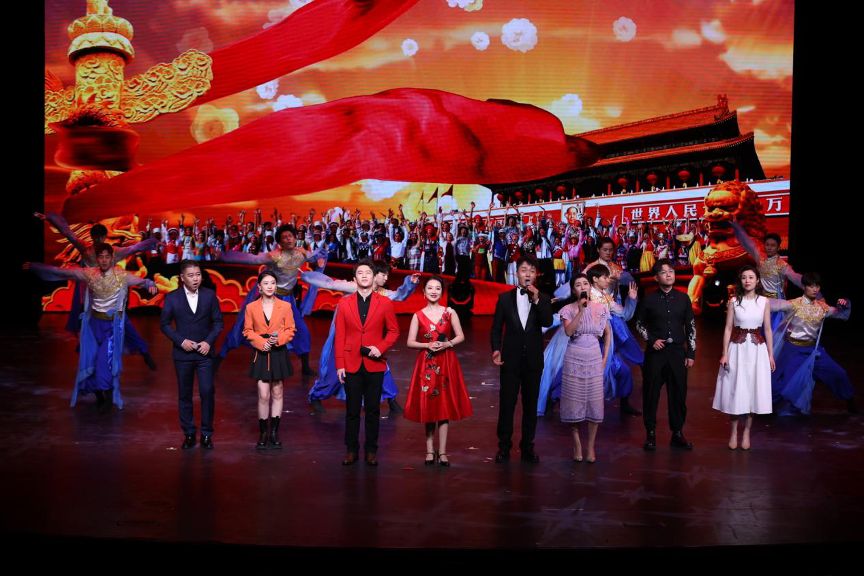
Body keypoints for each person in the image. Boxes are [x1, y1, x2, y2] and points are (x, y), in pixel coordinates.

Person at [25, 244, 157, 410]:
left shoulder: (121, 276)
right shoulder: (90, 274)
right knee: (90, 362)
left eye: (107, 257)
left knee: (104, 360)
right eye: (101, 257)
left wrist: (150, 283)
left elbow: (142, 281)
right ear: (97, 259)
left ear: (112, 258)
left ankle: (108, 395)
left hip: (111, 328)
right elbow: (62, 272)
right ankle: (99, 394)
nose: (104, 260)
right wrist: (36, 267)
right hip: (94, 326)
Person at [304, 261, 418, 414]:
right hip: (346, 340)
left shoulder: (382, 294)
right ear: (374, 275)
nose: (386, 278)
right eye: (383, 275)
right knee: (334, 374)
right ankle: (316, 396)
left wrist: (410, 283)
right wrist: (306, 275)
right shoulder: (354, 287)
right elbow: (329, 283)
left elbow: (399, 295)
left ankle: (392, 400)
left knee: (381, 369)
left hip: (369, 341)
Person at [219, 224, 326, 375]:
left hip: (288, 300)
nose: (288, 239)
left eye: (290, 236)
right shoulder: (274, 256)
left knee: (301, 330)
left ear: (295, 238)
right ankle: (220, 357)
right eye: (284, 237)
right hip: (270, 298)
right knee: (251, 330)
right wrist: (224, 256)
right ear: (280, 242)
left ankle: (305, 367)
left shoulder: (301, 253)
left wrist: (319, 260)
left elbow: (315, 256)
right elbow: (252, 259)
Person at [335, 261, 400, 466]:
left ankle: (371, 450)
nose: (364, 276)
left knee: (373, 410)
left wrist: (380, 348)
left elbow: (393, 331)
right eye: (360, 273)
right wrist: (340, 364)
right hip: (351, 362)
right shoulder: (344, 303)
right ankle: (351, 450)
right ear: (354, 278)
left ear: (374, 277)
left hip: (375, 363)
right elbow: (340, 335)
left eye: (368, 272)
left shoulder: (385, 303)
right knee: (352, 410)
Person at [491, 255, 553, 463]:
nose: (527, 274)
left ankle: (527, 446)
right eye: (524, 270)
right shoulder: (504, 299)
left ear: (536, 275)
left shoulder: (543, 298)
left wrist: (537, 299)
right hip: (510, 360)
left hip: (533, 361)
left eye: (532, 271)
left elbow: (547, 321)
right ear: (516, 273)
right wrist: (496, 349)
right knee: (507, 404)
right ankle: (503, 447)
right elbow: (496, 328)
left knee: (530, 405)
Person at [404, 276, 472, 466]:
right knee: (429, 405)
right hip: (426, 364)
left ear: (442, 292)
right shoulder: (418, 315)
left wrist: (446, 344)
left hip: (446, 362)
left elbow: (460, 336)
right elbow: (409, 342)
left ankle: (442, 452)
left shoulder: (449, 313)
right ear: (424, 292)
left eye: (438, 288)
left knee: (444, 406)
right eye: (430, 288)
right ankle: (429, 450)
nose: (434, 291)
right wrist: (427, 345)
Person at [160, 260, 224, 449]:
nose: (195, 279)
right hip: (183, 355)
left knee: (207, 392)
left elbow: (218, 322)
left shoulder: (209, 295)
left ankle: (206, 434)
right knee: (185, 394)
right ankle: (189, 434)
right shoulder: (172, 298)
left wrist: (208, 342)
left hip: (205, 353)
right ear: (182, 278)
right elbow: (164, 324)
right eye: (191, 275)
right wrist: (181, 341)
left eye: (198, 275)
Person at [635, 259, 697, 451]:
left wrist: (691, 353)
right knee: (651, 393)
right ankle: (650, 434)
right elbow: (639, 324)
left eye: (671, 271)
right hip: (656, 354)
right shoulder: (649, 299)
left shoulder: (683, 298)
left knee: (678, 394)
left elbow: (691, 327)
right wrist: (651, 339)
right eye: (664, 272)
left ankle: (677, 433)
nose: (669, 275)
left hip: (678, 353)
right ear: (656, 277)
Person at [771, 272, 854, 415]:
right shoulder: (794, 304)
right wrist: (749, 299)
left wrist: (844, 304)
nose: (815, 289)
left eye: (817, 286)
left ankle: (849, 399)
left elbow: (841, 314)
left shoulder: (822, 307)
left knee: (838, 373)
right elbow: (773, 305)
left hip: (813, 351)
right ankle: (766, 407)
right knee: (781, 384)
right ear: (804, 287)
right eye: (811, 286)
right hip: (793, 350)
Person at [712, 266, 775, 450]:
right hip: (738, 349)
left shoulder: (764, 301)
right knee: (736, 390)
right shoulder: (734, 301)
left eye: (751, 277)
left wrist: (771, 355)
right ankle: (733, 432)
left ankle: (746, 432)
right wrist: (724, 353)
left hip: (757, 350)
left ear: (757, 280)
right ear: (740, 280)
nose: (747, 280)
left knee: (752, 391)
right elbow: (728, 328)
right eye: (744, 277)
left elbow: (768, 329)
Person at [558, 273, 611, 463]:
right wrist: (580, 311)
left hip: (594, 357)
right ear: (574, 290)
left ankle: (590, 446)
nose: (583, 287)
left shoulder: (601, 308)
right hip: (574, 358)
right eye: (578, 284)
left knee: (594, 404)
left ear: (590, 287)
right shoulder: (567, 309)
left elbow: (607, 334)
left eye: (585, 283)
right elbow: (568, 331)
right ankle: (577, 444)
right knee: (574, 402)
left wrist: (604, 359)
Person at [243, 270, 296, 450]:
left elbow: (290, 329)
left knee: (278, 391)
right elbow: (247, 331)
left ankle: (274, 432)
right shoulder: (251, 307)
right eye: (266, 283)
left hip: (278, 352)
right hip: (261, 353)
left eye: (273, 283)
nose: (270, 286)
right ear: (259, 287)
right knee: (263, 394)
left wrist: (278, 339)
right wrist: (260, 342)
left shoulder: (285, 306)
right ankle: (263, 432)